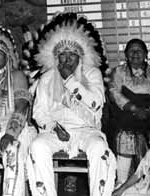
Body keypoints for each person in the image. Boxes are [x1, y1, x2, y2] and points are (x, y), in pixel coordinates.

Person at [26, 12, 116, 196]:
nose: (66, 59)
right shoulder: (47, 77)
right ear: (56, 57)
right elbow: (39, 112)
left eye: (71, 55)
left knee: (99, 148)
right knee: (37, 146)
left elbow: (96, 103)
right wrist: (53, 126)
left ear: (80, 57)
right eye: (62, 55)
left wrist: (70, 81)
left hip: (87, 130)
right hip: (56, 132)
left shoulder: (92, 74)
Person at [0, 26, 35, 196]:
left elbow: (22, 107)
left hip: (16, 128)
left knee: (12, 149)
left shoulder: (17, 76)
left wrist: (11, 133)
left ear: (7, 56)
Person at [108, 38, 150, 183]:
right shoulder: (119, 72)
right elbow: (114, 93)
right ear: (126, 54)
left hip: (148, 117)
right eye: (131, 50)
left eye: (139, 50)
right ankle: (121, 183)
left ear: (146, 54)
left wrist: (146, 111)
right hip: (125, 117)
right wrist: (134, 108)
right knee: (124, 135)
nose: (135, 54)